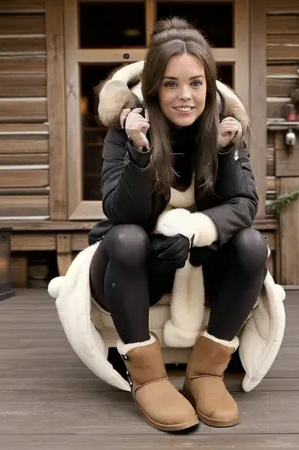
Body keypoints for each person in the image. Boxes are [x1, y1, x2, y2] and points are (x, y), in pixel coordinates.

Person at [87, 17, 268, 432]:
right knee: (126, 238)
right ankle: (148, 377)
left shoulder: (226, 128)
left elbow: (244, 204)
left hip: (202, 262)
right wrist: (138, 150)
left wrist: (196, 227)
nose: (185, 95)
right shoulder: (128, 128)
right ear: (154, 88)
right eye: (171, 84)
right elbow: (120, 212)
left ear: (209, 86)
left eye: (195, 83)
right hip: (138, 266)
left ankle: (206, 372)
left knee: (252, 245)